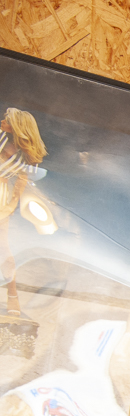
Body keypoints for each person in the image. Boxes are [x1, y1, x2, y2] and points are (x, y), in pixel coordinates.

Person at [0, 108, 48, 321]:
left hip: (1, 197)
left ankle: (13, 294)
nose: (3, 121)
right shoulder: (1, 136)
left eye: (7, 120)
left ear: (17, 126)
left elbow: (21, 180)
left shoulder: (27, 155)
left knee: (3, 248)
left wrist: (11, 205)